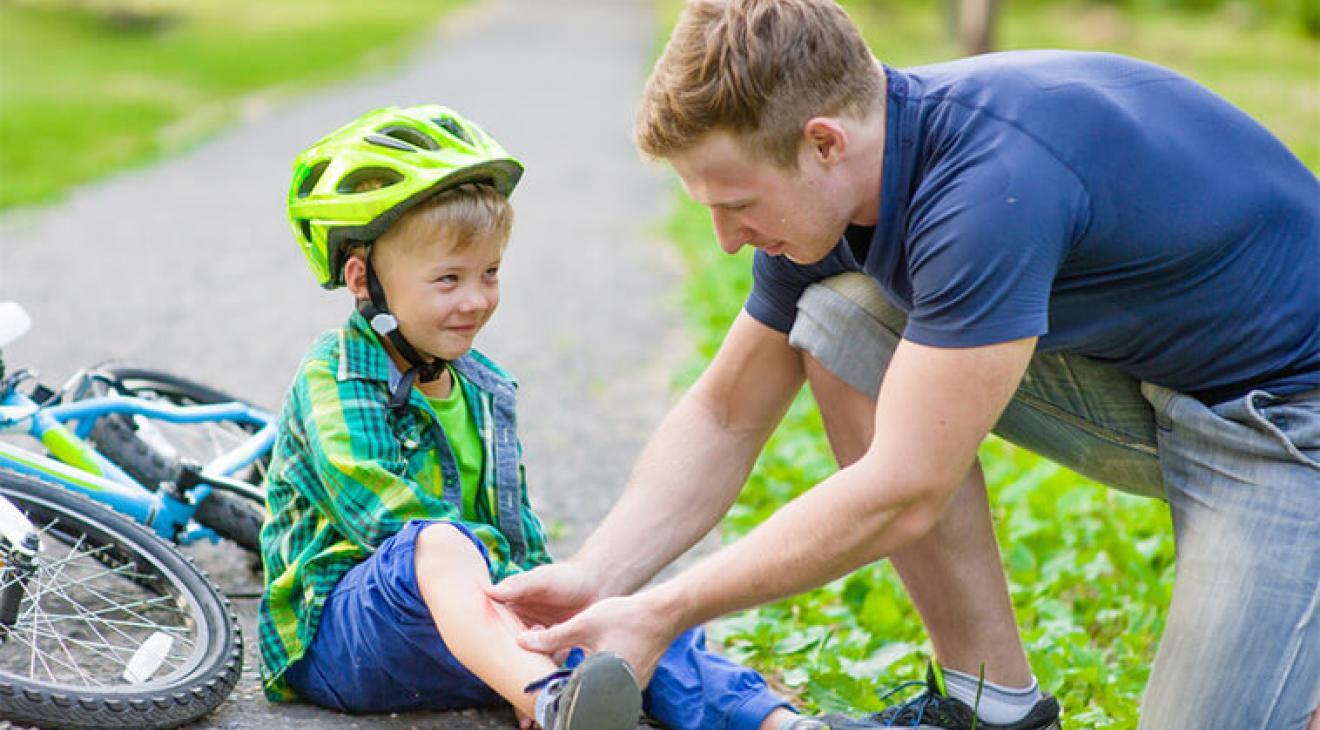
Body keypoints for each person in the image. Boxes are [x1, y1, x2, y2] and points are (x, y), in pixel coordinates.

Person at [486, 2, 1320, 729]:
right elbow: (727, 412)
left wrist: (665, 610)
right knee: (842, 315)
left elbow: (905, 489)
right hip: (1158, 383)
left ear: (822, 142)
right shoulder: (839, 183)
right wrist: (599, 579)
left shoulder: (988, 184)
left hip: (1286, 422)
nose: (729, 240)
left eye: (737, 205)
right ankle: (993, 704)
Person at [258, 104, 814, 730]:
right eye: (447, 279)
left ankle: (773, 721)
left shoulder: (482, 386)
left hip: (474, 628)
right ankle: (549, 699)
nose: (476, 300)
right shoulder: (335, 375)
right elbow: (384, 518)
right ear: (364, 278)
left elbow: (515, 530)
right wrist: (519, 606)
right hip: (347, 638)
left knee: (612, 609)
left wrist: (552, 604)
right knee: (436, 542)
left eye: (489, 273)